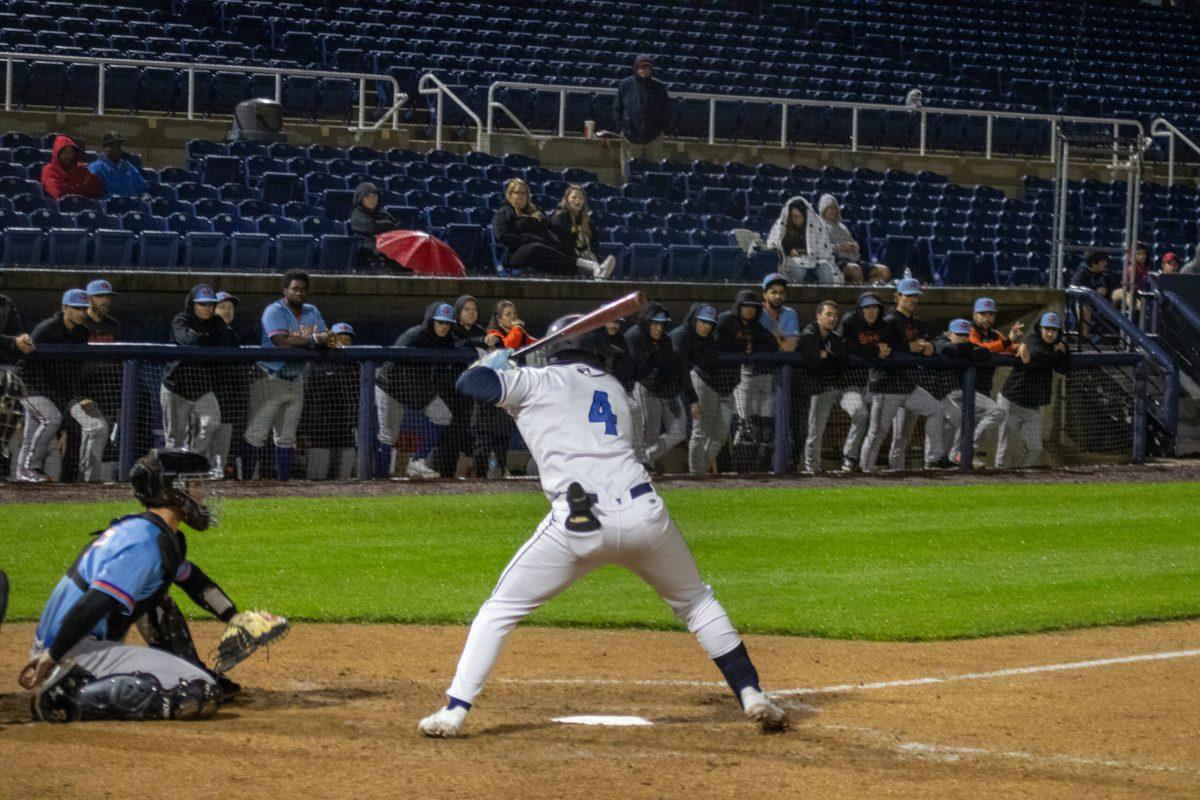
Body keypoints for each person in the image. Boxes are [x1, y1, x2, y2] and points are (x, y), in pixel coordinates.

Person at [417, 316, 789, 738]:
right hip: (644, 513)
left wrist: (494, 362)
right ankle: (752, 694)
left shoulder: (538, 380)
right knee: (697, 604)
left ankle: (454, 711)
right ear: (597, 351)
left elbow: (473, 387)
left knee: (499, 611)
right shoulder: (614, 390)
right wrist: (508, 368)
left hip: (578, 521)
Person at [17, 450, 231, 722]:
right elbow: (94, 602)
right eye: (197, 484)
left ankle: (81, 680)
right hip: (73, 650)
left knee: (160, 601)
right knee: (199, 693)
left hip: (78, 645)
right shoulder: (144, 543)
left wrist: (234, 616)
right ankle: (68, 695)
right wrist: (53, 654)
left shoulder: (150, 532)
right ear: (172, 489)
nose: (204, 493)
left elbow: (191, 578)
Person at [244, 271, 336, 481]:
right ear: (285, 290)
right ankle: (246, 483)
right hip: (270, 376)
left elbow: (326, 338)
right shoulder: (274, 310)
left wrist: (331, 338)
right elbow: (281, 341)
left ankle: (283, 484)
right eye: (295, 288)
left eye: (303, 289)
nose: (299, 293)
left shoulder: (312, 311)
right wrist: (315, 338)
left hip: (296, 379)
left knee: (286, 437)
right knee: (256, 434)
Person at [859, 278, 945, 472]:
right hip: (887, 385)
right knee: (878, 432)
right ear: (898, 296)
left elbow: (932, 345)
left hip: (908, 385)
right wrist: (908, 347)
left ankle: (931, 461)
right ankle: (865, 471)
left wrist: (929, 347)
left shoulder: (917, 323)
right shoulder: (887, 321)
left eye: (915, 296)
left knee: (935, 410)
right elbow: (881, 350)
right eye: (908, 295)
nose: (912, 299)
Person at [374, 302, 458, 480]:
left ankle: (417, 462)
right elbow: (390, 363)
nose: (444, 327)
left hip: (416, 385)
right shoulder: (415, 335)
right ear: (431, 320)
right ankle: (380, 479)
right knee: (389, 434)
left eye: (448, 323)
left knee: (443, 415)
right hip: (391, 385)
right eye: (440, 322)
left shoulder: (448, 341)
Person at [492, 179, 614, 279]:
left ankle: (592, 272)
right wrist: (528, 238)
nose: (521, 196)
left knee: (556, 250)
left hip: (539, 251)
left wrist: (544, 222)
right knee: (536, 247)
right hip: (515, 253)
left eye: (524, 193)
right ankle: (589, 266)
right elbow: (503, 236)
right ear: (509, 195)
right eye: (517, 192)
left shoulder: (535, 212)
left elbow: (551, 231)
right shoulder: (505, 212)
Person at [160, 285, 231, 456]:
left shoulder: (216, 321)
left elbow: (230, 342)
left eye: (211, 304)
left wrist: (204, 338)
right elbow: (189, 342)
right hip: (176, 387)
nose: (208, 308)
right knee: (174, 438)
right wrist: (209, 338)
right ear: (193, 304)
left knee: (212, 422)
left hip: (202, 386)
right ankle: (173, 478)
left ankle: (193, 458)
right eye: (203, 304)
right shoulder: (181, 319)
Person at [798, 301, 867, 474]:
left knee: (861, 412)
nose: (832, 319)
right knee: (816, 431)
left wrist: (826, 356)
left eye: (835, 316)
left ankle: (849, 458)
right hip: (819, 388)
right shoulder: (808, 334)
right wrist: (831, 357)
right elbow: (813, 362)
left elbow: (842, 362)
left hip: (840, 386)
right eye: (828, 315)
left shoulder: (835, 338)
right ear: (818, 316)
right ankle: (812, 468)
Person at [996, 312, 1069, 468]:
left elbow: (1063, 368)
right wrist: (1058, 353)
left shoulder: (1058, 345)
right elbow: (1040, 355)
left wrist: (1058, 353)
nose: (1050, 333)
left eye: (1054, 330)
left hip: (1032, 406)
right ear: (1040, 329)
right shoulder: (1032, 340)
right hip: (1011, 402)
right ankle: (998, 481)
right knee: (1006, 448)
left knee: (1036, 448)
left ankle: (1018, 478)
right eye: (1047, 329)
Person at [472, 301, 534, 479]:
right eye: (508, 314)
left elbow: (536, 344)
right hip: (489, 395)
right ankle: (480, 478)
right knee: (483, 442)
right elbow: (508, 347)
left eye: (514, 313)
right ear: (498, 318)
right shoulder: (493, 334)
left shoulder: (519, 333)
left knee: (502, 439)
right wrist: (518, 329)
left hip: (507, 394)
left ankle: (501, 471)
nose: (513, 317)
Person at [670, 304, 734, 476]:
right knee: (687, 433)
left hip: (691, 386)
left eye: (710, 323)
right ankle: (694, 475)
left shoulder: (709, 340)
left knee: (718, 435)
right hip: (665, 387)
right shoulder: (680, 336)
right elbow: (682, 371)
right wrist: (693, 401)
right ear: (694, 320)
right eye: (703, 322)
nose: (706, 326)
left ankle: (700, 471)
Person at [959, 297, 1021, 464]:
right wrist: (1007, 342)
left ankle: (962, 456)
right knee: (997, 412)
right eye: (983, 314)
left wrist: (1023, 346)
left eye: (990, 314)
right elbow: (979, 349)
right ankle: (966, 450)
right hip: (963, 389)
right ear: (974, 315)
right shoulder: (968, 330)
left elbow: (1011, 347)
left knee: (970, 427)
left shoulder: (995, 334)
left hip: (983, 389)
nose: (987, 318)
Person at [625, 302, 685, 470]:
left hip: (660, 389)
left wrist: (672, 393)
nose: (659, 328)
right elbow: (637, 369)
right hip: (635, 387)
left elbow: (669, 367)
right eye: (655, 323)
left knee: (677, 432)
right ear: (647, 322)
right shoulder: (634, 337)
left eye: (662, 323)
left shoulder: (664, 340)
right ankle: (639, 467)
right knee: (643, 433)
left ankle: (645, 461)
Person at [723, 290, 778, 472]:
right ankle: (737, 468)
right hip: (727, 381)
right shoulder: (726, 321)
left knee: (759, 428)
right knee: (744, 425)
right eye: (745, 306)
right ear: (738, 306)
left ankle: (757, 469)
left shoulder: (757, 327)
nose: (749, 311)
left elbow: (772, 344)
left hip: (751, 379)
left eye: (752, 308)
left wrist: (752, 349)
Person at [836, 292, 891, 472]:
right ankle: (849, 458)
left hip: (869, 383)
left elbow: (890, 348)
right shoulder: (850, 321)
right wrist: (873, 350)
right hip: (843, 382)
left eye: (874, 307)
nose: (871, 311)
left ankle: (868, 462)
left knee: (882, 420)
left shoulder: (883, 326)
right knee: (861, 413)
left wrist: (880, 350)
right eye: (867, 307)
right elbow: (843, 347)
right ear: (859, 309)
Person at [302, 322, 359, 480]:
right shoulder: (316, 360)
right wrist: (304, 429)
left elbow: (359, 398)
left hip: (346, 426)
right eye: (339, 337)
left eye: (347, 339)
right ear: (329, 339)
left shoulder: (356, 364)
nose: (343, 341)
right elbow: (306, 396)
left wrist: (355, 422)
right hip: (321, 425)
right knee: (317, 476)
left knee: (345, 477)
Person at [78, 279, 121, 483]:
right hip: (83, 389)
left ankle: (91, 484)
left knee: (102, 438)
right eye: (100, 296)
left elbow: (121, 362)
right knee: (84, 435)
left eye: (107, 297)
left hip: (108, 389)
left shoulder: (113, 325)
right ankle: (81, 482)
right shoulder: (80, 324)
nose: (105, 301)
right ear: (88, 299)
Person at [208, 291, 252, 478]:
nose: (227, 310)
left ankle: (217, 476)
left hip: (228, 395)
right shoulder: (207, 332)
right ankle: (197, 475)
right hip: (208, 392)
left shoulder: (232, 334)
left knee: (224, 439)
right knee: (206, 434)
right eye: (222, 306)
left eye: (230, 307)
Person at [816, 194, 891, 285]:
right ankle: (862, 290)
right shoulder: (820, 226)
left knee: (884, 271)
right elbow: (820, 248)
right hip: (836, 261)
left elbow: (854, 243)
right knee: (856, 269)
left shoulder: (842, 227)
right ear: (823, 210)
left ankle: (866, 286)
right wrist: (840, 247)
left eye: (834, 208)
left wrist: (854, 246)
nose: (832, 211)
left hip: (854, 259)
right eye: (829, 208)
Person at [766, 197, 838, 284]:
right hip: (793, 260)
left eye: (799, 216)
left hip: (815, 259)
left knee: (825, 269)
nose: (796, 219)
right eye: (794, 216)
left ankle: (828, 296)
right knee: (798, 271)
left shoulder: (816, 225)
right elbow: (776, 243)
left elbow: (822, 247)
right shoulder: (783, 226)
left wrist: (805, 252)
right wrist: (788, 251)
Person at [613, 54, 670, 147]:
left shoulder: (659, 86)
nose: (644, 70)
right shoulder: (625, 85)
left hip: (654, 136)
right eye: (642, 67)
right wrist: (621, 128)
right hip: (630, 136)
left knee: (653, 162)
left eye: (647, 67)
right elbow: (617, 108)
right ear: (636, 68)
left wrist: (661, 129)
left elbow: (666, 109)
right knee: (631, 162)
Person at [348, 181, 400, 271]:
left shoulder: (382, 212)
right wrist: (386, 224)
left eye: (375, 197)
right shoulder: (357, 214)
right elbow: (372, 227)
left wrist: (383, 224)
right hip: (369, 248)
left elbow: (396, 225)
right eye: (368, 197)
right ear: (361, 198)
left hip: (387, 245)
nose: (373, 200)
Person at [1068, 250, 1116, 340]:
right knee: (1084, 308)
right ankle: (1084, 339)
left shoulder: (1106, 274)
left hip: (1105, 303)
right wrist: (1095, 292)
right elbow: (1074, 292)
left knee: (1120, 293)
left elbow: (1114, 289)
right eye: (1103, 262)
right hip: (1086, 303)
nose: (1105, 264)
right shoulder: (1080, 275)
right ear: (1094, 264)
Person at [86, 131, 148, 199]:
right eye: (114, 146)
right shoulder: (96, 167)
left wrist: (144, 196)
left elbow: (143, 189)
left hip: (134, 207)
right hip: (110, 207)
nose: (118, 149)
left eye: (120, 145)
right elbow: (93, 194)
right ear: (105, 148)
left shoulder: (129, 167)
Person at [550, 184, 602, 264]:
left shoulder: (588, 222)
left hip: (587, 259)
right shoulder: (560, 217)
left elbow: (594, 245)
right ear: (567, 199)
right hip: (568, 259)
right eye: (574, 197)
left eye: (581, 198)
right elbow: (559, 243)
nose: (577, 200)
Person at [41, 135, 105, 200]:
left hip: (85, 206)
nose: (70, 156)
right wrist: (82, 187)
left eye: (72, 152)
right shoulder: (49, 170)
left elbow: (98, 189)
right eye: (65, 152)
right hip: (60, 208)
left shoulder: (81, 168)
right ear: (57, 154)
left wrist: (76, 189)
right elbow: (59, 194)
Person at [1112, 242, 1150, 310]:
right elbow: (1131, 289)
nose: (1141, 256)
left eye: (1144, 254)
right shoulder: (1131, 269)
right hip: (1130, 295)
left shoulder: (1146, 268)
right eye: (1138, 254)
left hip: (1143, 295)